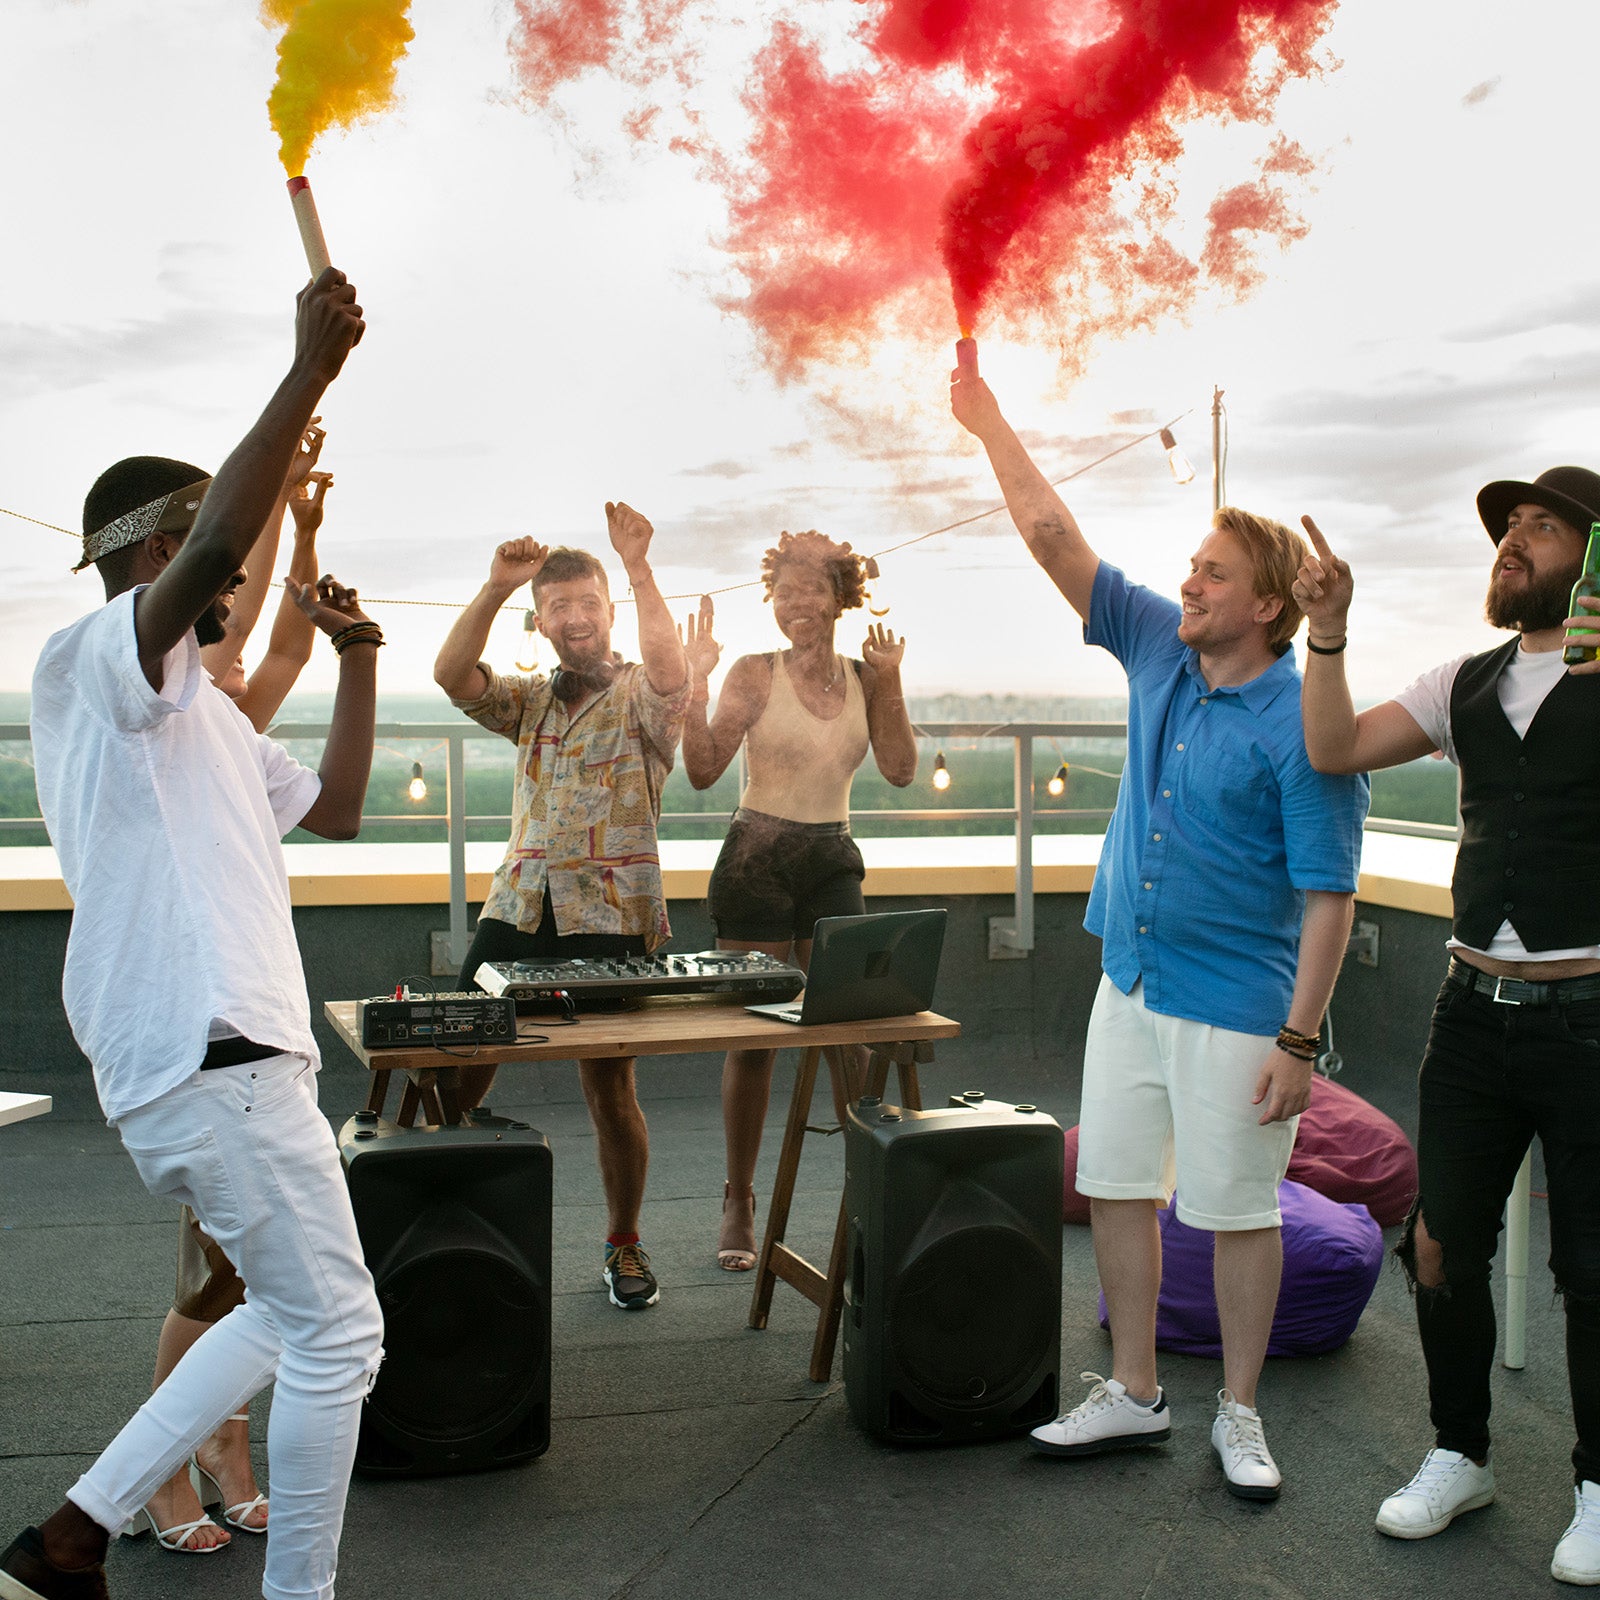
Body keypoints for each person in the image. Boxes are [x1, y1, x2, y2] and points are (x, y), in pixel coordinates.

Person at [0, 269, 383, 1600]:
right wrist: (306, 371)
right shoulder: (88, 660)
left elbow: (337, 809)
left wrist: (359, 659)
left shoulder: (203, 712)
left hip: (222, 1061)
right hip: (212, 1055)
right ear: (156, 553)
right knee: (340, 1337)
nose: (231, 578)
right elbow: (222, 546)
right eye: (207, 551)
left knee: (287, 1314)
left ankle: (70, 1539)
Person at [951, 349, 1368, 1501]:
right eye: (1189, 565)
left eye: (1211, 573)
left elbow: (1330, 894)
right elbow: (1052, 538)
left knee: (1235, 1211)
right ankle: (1134, 1390)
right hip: (1128, 982)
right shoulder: (1155, 652)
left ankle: (1239, 1411)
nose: (1186, 583)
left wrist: (1298, 1043)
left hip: (1237, 1006)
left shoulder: (1303, 723)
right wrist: (987, 423)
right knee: (1119, 1187)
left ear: (1267, 604)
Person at [1293, 467, 1600, 1583]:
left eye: (1542, 527)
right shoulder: (1461, 682)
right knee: (1437, 1244)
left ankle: (1599, 1486)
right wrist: (1327, 632)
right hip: (1470, 1012)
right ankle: (1460, 1453)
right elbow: (1333, 747)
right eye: (1508, 526)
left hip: (1590, 1020)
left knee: (1593, 1265)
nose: (1513, 541)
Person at [134, 436, 340, 1555]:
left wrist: (304, 529)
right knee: (220, 1280)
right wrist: (271, 509)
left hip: (251, 1027)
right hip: (202, 1033)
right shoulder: (172, 693)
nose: (243, 629)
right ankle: (165, 1469)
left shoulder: (231, 712)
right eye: (228, 609)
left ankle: (218, 1445)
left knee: (254, 1279)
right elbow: (245, 596)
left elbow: (289, 631)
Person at [434, 507, 690, 1311]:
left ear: (609, 611)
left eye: (589, 603)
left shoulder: (644, 697)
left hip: (612, 916)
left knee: (611, 1090)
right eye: (558, 606)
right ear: (540, 621)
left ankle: (624, 1244)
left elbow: (673, 671)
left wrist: (638, 567)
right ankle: (439, 1227)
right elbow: (451, 674)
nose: (575, 617)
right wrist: (496, 585)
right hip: (518, 903)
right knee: (456, 1068)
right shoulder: (529, 700)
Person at [676, 532, 917, 1269]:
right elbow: (702, 770)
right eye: (783, 592)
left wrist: (891, 681)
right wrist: (694, 682)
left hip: (829, 857)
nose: (796, 604)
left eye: (811, 589)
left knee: (850, 1030)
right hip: (756, 857)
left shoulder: (867, 676)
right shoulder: (755, 672)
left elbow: (902, 769)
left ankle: (866, 1195)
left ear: (840, 597)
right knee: (755, 1038)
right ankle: (739, 1199)